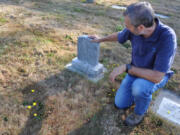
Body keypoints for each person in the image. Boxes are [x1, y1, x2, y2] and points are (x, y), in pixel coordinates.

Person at [89, 1, 177, 126]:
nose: (125, 27)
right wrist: (100, 40)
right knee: (120, 104)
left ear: (141, 27)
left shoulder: (167, 37)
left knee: (140, 88)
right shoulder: (134, 29)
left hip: (155, 75)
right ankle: (138, 95)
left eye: (127, 25)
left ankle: (139, 112)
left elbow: (157, 77)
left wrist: (127, 68)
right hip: (136, 71)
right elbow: (120, 36)